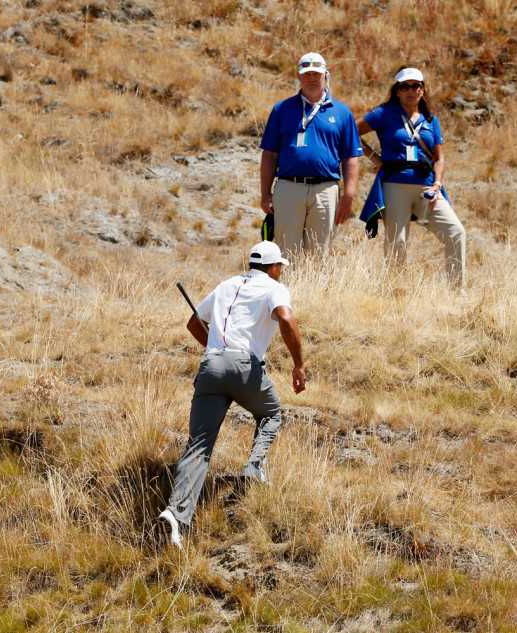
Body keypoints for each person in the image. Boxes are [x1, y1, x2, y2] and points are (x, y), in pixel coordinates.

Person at [158, 241, 306, 548]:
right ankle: (253, 468)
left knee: (198, 446)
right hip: (245, 366)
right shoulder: (274, 288)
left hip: (211, 365)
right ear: (273, 267)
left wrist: (217, 354)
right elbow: (287, 319)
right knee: (270, 413)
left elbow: (193, 323)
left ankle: (176, 515)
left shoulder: (226, 284)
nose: (281, 271)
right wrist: (298, 366)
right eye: (280, 266)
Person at [357, 67, 467, 287]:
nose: (410, 90)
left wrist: (437, 183)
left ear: (422, 90)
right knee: (397, 242)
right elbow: (351, 131)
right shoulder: (383, 114)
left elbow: (439, 158)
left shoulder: (430, 119)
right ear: (397, 91)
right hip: (395, 184)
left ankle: (457, 292)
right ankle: (396, 293)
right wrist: (373, 157)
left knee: (455, 232)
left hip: (427, 187)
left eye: (416, 85)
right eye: (405, 86)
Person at [259, 52, 363, 260]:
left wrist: (348, 195)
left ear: (326, 75)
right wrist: (265, 193)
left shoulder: (342, 113)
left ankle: (312, 291)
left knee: (319, 250)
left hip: (326, 189)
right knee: (286, 251)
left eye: (317, 73)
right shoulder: (282, 110)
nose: (312, 78)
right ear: (299, 76)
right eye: (307, 74)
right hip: (289, 187)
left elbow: (350, 157)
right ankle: (288, 292)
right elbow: (269, 154)